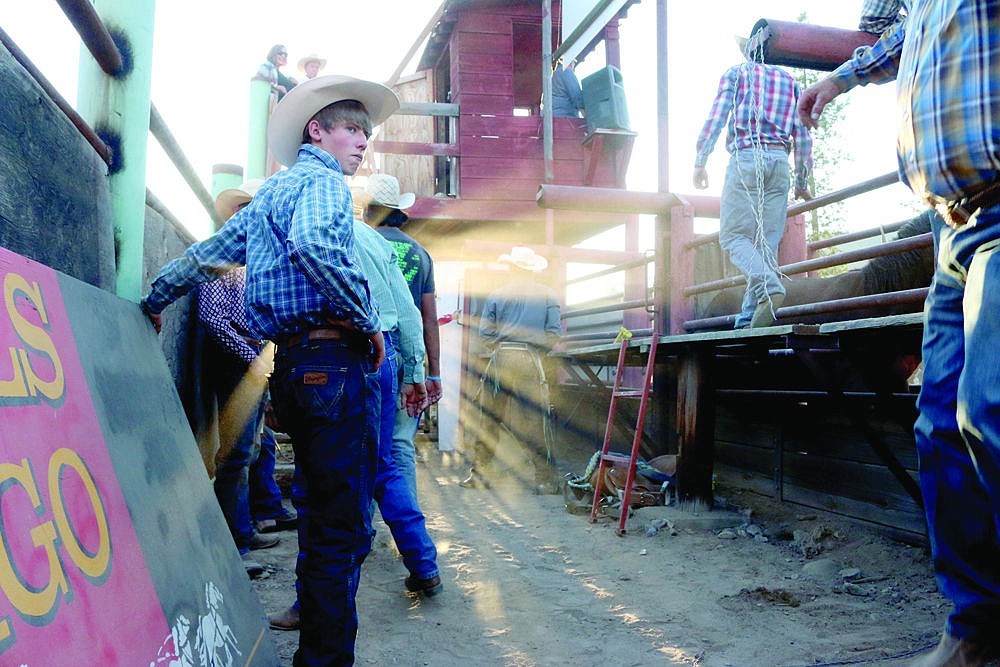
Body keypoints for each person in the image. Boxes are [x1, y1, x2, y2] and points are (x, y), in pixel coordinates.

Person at [141, 74, 403, 667]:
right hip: (333, 359)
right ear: (318, 131)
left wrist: (156, 296)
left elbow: (206, 255)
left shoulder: (268, 198)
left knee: (319, 511)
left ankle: (315, 647)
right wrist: (367, 321)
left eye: (366, 133)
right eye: (352, 129)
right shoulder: (324, 182)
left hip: (292, 366)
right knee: (342, 525)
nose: (363, 142)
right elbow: (314, 246)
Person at [798, 3, 1000, 664]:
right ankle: (974, 628)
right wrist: (842, 78)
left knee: (989, 408)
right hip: (949, 227)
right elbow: (908, 34)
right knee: (938, 424)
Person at [268, 204, 442, 632]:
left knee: (321, 481)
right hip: (386, 359)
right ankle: (423, 564)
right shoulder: (385, 244)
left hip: (339, 356)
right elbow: (410, 311)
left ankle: (313, 601)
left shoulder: (305, 233)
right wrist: (417, 372)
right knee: (382, 465)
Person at [693, 20, 813, 329]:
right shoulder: (790, 82)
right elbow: (803, 134)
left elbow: (717, 117)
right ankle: (749, 318)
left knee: (733, 237)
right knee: (766, 246)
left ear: (748, 52)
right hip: (779, 162)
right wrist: (801, 181)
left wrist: (701, 159)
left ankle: (769, 287)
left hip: (747, 157)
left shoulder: (737, 74)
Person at [200, 179, 279, 579]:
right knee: (235, 455)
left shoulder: (253, 259)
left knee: (250, 449)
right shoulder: (224, 256)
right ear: (237, 213)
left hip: (250, 359)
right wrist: (254, 360)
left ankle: (242, 531)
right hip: (236, 362)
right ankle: (233, 545)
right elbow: (213, 318)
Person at [461, 246, 562, 495]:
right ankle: (545, 480)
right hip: (531, 359)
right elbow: (553, 334)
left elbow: (486, 333)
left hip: (501, 359)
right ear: (532, 268)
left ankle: (480, 475)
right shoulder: (548, 295)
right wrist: (536, 351)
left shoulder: (497, 295)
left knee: (489, 418)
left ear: (511, 267)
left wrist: (500, 348)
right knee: (536, 421)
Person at [367, 173, 443, 500]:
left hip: (371, 353)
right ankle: (407, 518)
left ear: (367, 211)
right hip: (409, 357)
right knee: (401, 442)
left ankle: (364, 523)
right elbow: (428, 319)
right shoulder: (420, 254)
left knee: (366, 441)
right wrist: (433, 372)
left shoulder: (361, 244)